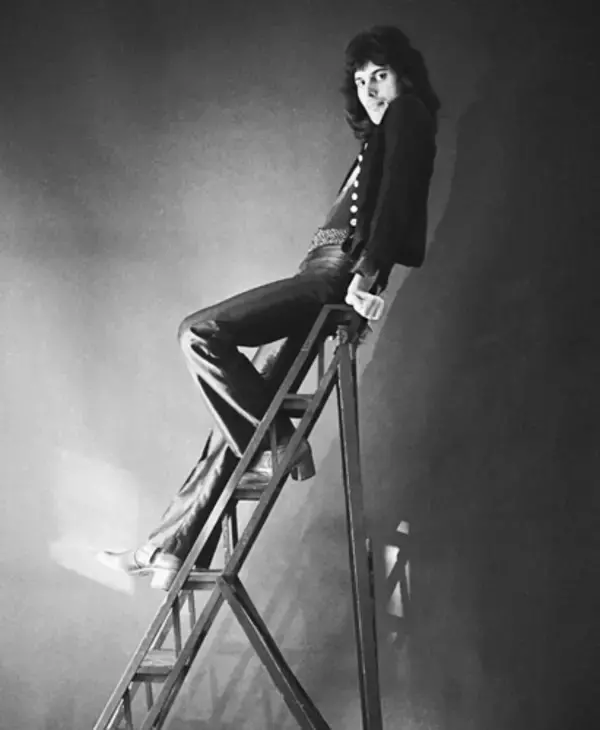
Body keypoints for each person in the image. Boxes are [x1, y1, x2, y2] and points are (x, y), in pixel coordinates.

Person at [98, 25, 440, 590]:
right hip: (319, 275)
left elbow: (400, 198)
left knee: (200, 334)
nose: (371, 91)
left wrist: (367, 275)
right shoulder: (379, 137)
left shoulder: (408, 115)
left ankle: (281, 445)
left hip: (335, 277)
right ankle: (168, 548)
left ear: (403, 75)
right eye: (361, 82)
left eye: (381, 76)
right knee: (235, 418)